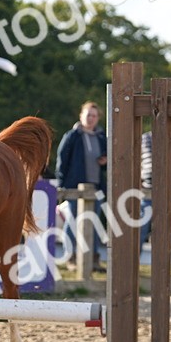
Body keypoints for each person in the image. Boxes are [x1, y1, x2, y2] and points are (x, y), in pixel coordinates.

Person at [56, 101, 108, 269]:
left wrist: (105, 162)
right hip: (74, 187)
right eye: (88, 115)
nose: (91, 118)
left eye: (94, 115)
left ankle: (93, 259)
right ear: (81, 116)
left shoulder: (102, 137)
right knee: (73, 222)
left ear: (98, 118)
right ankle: (70, 257)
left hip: (96, 187)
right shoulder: (72, 136)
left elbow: (108, 162)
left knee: (94, 223)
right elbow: (62, 160)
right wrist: (62, 187)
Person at [140, 130, 171, 255]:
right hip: (147, 191)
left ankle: (163, 259)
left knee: (166, 229)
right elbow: (137, 163)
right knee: (140, 228)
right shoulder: (144, 139)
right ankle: (135, 261)